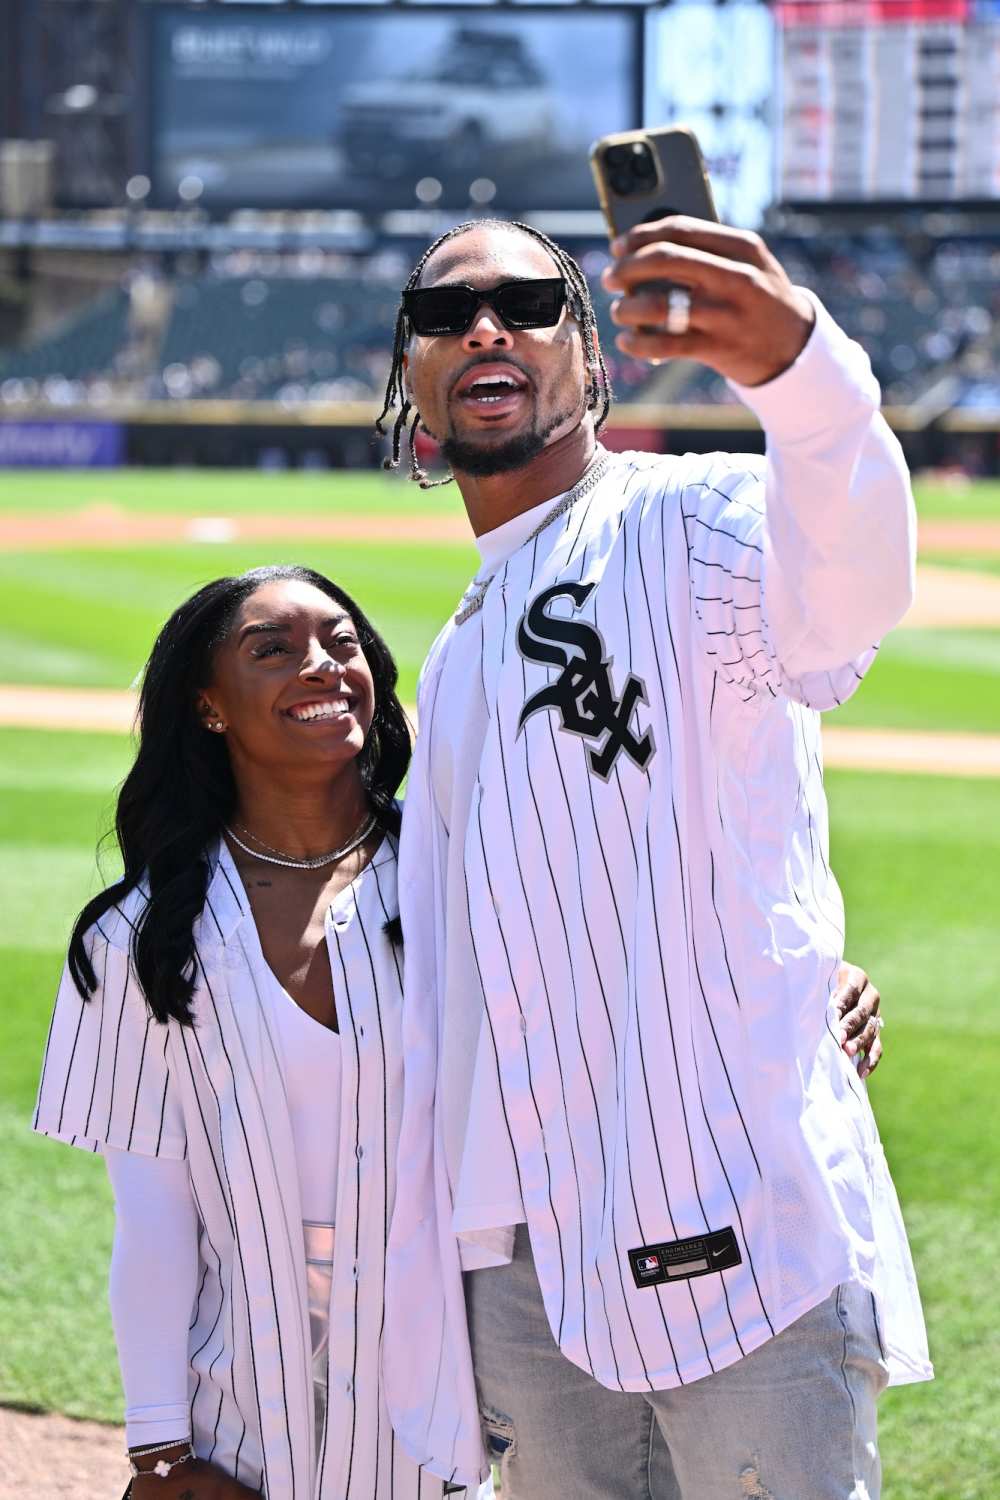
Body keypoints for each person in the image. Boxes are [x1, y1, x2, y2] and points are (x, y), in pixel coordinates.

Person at [378, 216, 932, 1500]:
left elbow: (843, 592)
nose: (483, 326)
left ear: (587, 358)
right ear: (410, 385)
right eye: (442, 311)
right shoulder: (459, 650)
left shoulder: (689, 521)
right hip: (530, 1273)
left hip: (739, 1242)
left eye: (526, 300)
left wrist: (798, 367)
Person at [33, 565, 460, 1500]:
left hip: (457, 1408)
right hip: (243, 1420)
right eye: (273, 650)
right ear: (210, 708)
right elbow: (153, 1217)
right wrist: (158, 1447)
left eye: (342, 645)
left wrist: (815, 981)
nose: (322, 666)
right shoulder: (139, 939)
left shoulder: (464, 887)